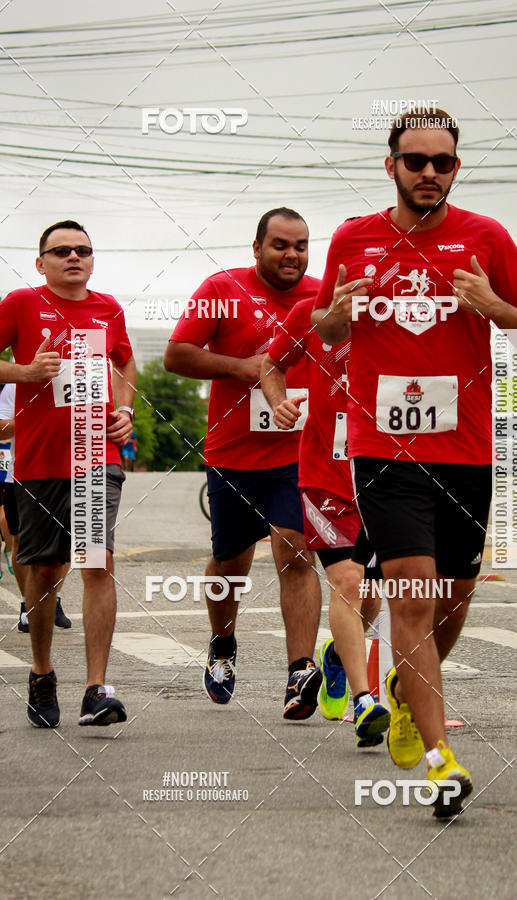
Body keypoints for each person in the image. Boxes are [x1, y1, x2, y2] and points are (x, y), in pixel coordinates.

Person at [313, 109, 517, 816]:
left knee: (455, 594)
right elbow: (325, 329)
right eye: (414, 160)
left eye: (441, 162)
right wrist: (338, 315)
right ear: (390, 166)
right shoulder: (354, 239)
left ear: (455, 169)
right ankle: (443, 761)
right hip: (384, 446)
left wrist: (493, 304)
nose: (428, 173)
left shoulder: (486, 238)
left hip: (468, 446)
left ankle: (410, 690)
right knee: (412, 594)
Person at [164, 208, 322, 718]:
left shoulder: (323, 298)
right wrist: (248, 368)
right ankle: (223, 645)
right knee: (231, 564)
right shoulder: (222, 287)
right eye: (280, 244)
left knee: (296, 551)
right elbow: (177, 355)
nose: (291, 254)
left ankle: (300, 670)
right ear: (256, 248)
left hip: (299, 452)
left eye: (300, 245)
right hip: (233, 454)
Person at [0, 219, 137, 729]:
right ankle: (41, 671)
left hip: (96, 455)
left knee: (96, 563)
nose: (73, 257)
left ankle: (96, 689)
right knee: (43, 571)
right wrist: (25, 373)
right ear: (41, 263)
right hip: (38, 461)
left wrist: (125, 410)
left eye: (83, 249)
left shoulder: (109, 309)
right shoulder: (20, 303)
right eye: (61, 251)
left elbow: (124, 365)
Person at [260, 299, 391, 747]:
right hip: (325, 476)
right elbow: (271, 364)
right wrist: (279, 404)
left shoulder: (406, 307)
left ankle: (337, 651)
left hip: (387, 476)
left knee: (371, 596)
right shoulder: (310, 314)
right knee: (349, 583)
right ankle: (365, 701)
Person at [0, 383, 72, 632]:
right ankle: (27, 604)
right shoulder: (14, 385)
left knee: (67, 542)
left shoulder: (75, 378)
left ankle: (54, 599)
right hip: (21, 475)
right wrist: (33, 419)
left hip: (67, 473)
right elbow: (1, 429)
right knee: (20, 542)